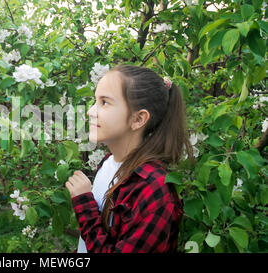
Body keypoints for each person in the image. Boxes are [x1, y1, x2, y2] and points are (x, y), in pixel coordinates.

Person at [66, 65, 193, 253]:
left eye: (105, 102)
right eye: (95, 101)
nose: (90, 111)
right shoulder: (109, 163)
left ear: (138, 119)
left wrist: (84, 205)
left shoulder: (154, 189)